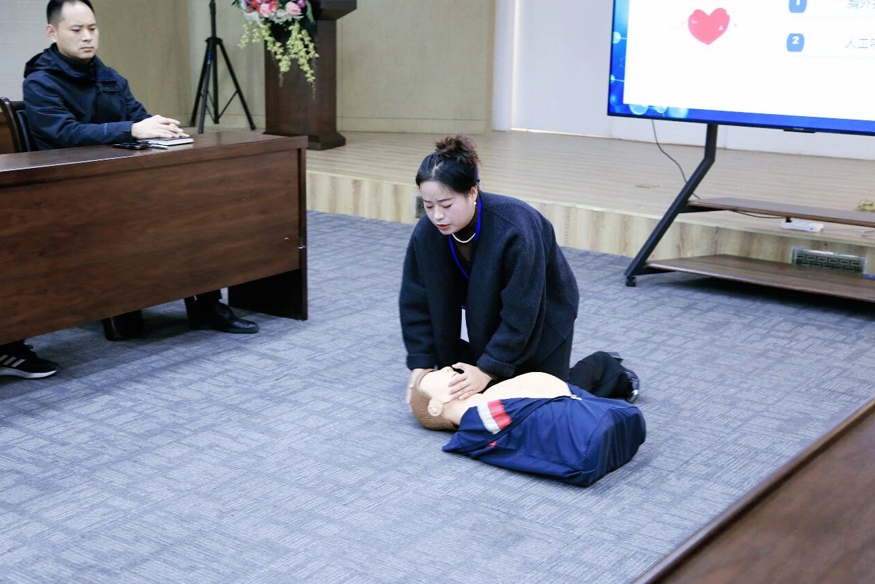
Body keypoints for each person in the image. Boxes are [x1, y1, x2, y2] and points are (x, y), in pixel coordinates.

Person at [16, 0, 256, 354]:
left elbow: (138, 118)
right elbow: (64, 134)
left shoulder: (108, 76)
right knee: (161, 213)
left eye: (93, 28)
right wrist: (132, 129)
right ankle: (135, 300)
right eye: (77, 30)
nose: (88, 37)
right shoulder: (40, 82)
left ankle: (207, 305)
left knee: (197, 204)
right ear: (52, 32)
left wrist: (161, 128)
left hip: (119, 181)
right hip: (71, 190)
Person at [400, 135, 580, 405]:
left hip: (544, 315)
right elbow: (416, 299)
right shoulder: (427, 232)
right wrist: (421, 362)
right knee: (470, 398)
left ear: (472, 193)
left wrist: (488, 368)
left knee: (543, 401)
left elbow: (523, 310)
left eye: (446, 205)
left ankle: (605, 369)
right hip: (482, 315)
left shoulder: (515, 228)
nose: (437, 215)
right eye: (428, 206)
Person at [409, 352, 646, 486]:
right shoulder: (485, 413)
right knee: (590, 372)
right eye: (440, 374)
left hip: (585, 430)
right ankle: (607, 366)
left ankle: (605, 369)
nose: (447, 368)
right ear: (435, 407)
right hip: (590, 428)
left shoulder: (476, 429)